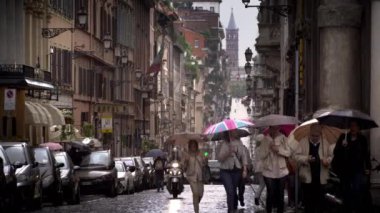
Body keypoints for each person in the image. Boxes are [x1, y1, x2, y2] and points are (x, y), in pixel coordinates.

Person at [332, 121, 371, 212]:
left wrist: (368, 168)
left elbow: (366, 155)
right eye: (351, 126)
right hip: (345, 170)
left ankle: (356, 209)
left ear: (358, 128)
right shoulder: (343, 137)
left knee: (357, 190)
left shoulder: (362, 139)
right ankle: (347, 209)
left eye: (355, 126)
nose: (353, 128)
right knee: (346, 191)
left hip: (358, 170)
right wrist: (342, 146)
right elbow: (336, 152)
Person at [294, 124, 334, 213]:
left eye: (317, 136)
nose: (315, 137)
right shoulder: (303, 142)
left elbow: (331, 156)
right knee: (308, 201)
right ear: (309, 133)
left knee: (320, 201)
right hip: (307, 176)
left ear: (320, 134)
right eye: (312, 135)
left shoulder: (325, 142)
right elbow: (296, 156)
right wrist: (306, 158)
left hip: (321, 177)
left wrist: (327, 161)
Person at [259, 125, 291, 213]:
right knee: (271, 193)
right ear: (269, 128)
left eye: (276, 128)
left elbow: (288, 153)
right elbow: (261, 155)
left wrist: (278, 150)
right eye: (272, 128)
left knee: (280, 194)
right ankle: (268, 210)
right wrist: (269, 149)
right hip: (268, 171)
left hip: (281, 170)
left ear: (279, 128)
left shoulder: (283, 138)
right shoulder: (265, 139)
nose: (274, 130)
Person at [217, 130, 248, 213]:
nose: (235, 132)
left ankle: (234, 207)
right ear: (229, 132)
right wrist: (228, 152)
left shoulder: (239, 142)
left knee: (233, 191)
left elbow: (243, 156)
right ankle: (230, 210)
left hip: (236, 170)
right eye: (233, 131)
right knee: (230, 191)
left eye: (235, 130)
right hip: (225, 170)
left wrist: (244, 169)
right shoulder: (223, 143)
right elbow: (219, 158)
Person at [182, 140, 205, 213]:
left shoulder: (200, 153)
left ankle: (195, 203)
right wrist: (185, 161)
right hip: (192, 176)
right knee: (195, 193)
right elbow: (184, 167)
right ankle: (196, 210)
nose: (193, 147)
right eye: (191, 146)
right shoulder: (187, 155)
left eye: (194, 146)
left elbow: (204, 163)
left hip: (200, 176)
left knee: (200, 193)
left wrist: (203, 158)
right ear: (189, 147)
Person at [237, 140, 251, 207]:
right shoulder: (232, 147)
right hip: (235, 169)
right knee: (236, 186)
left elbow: (248, 159)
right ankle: (237, 198)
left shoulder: (245, 149)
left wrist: (248, 168)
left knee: (242, 185)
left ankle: (241, 197)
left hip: (242, 169)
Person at [253, 134, 266, 206]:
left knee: (261, 184)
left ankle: (257, 196)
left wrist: (254, 169)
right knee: (268, 185)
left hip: (258, 168)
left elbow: (255, 160)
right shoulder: (265, 148)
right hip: (264, 167)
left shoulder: (257, 149)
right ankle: (268, 199)